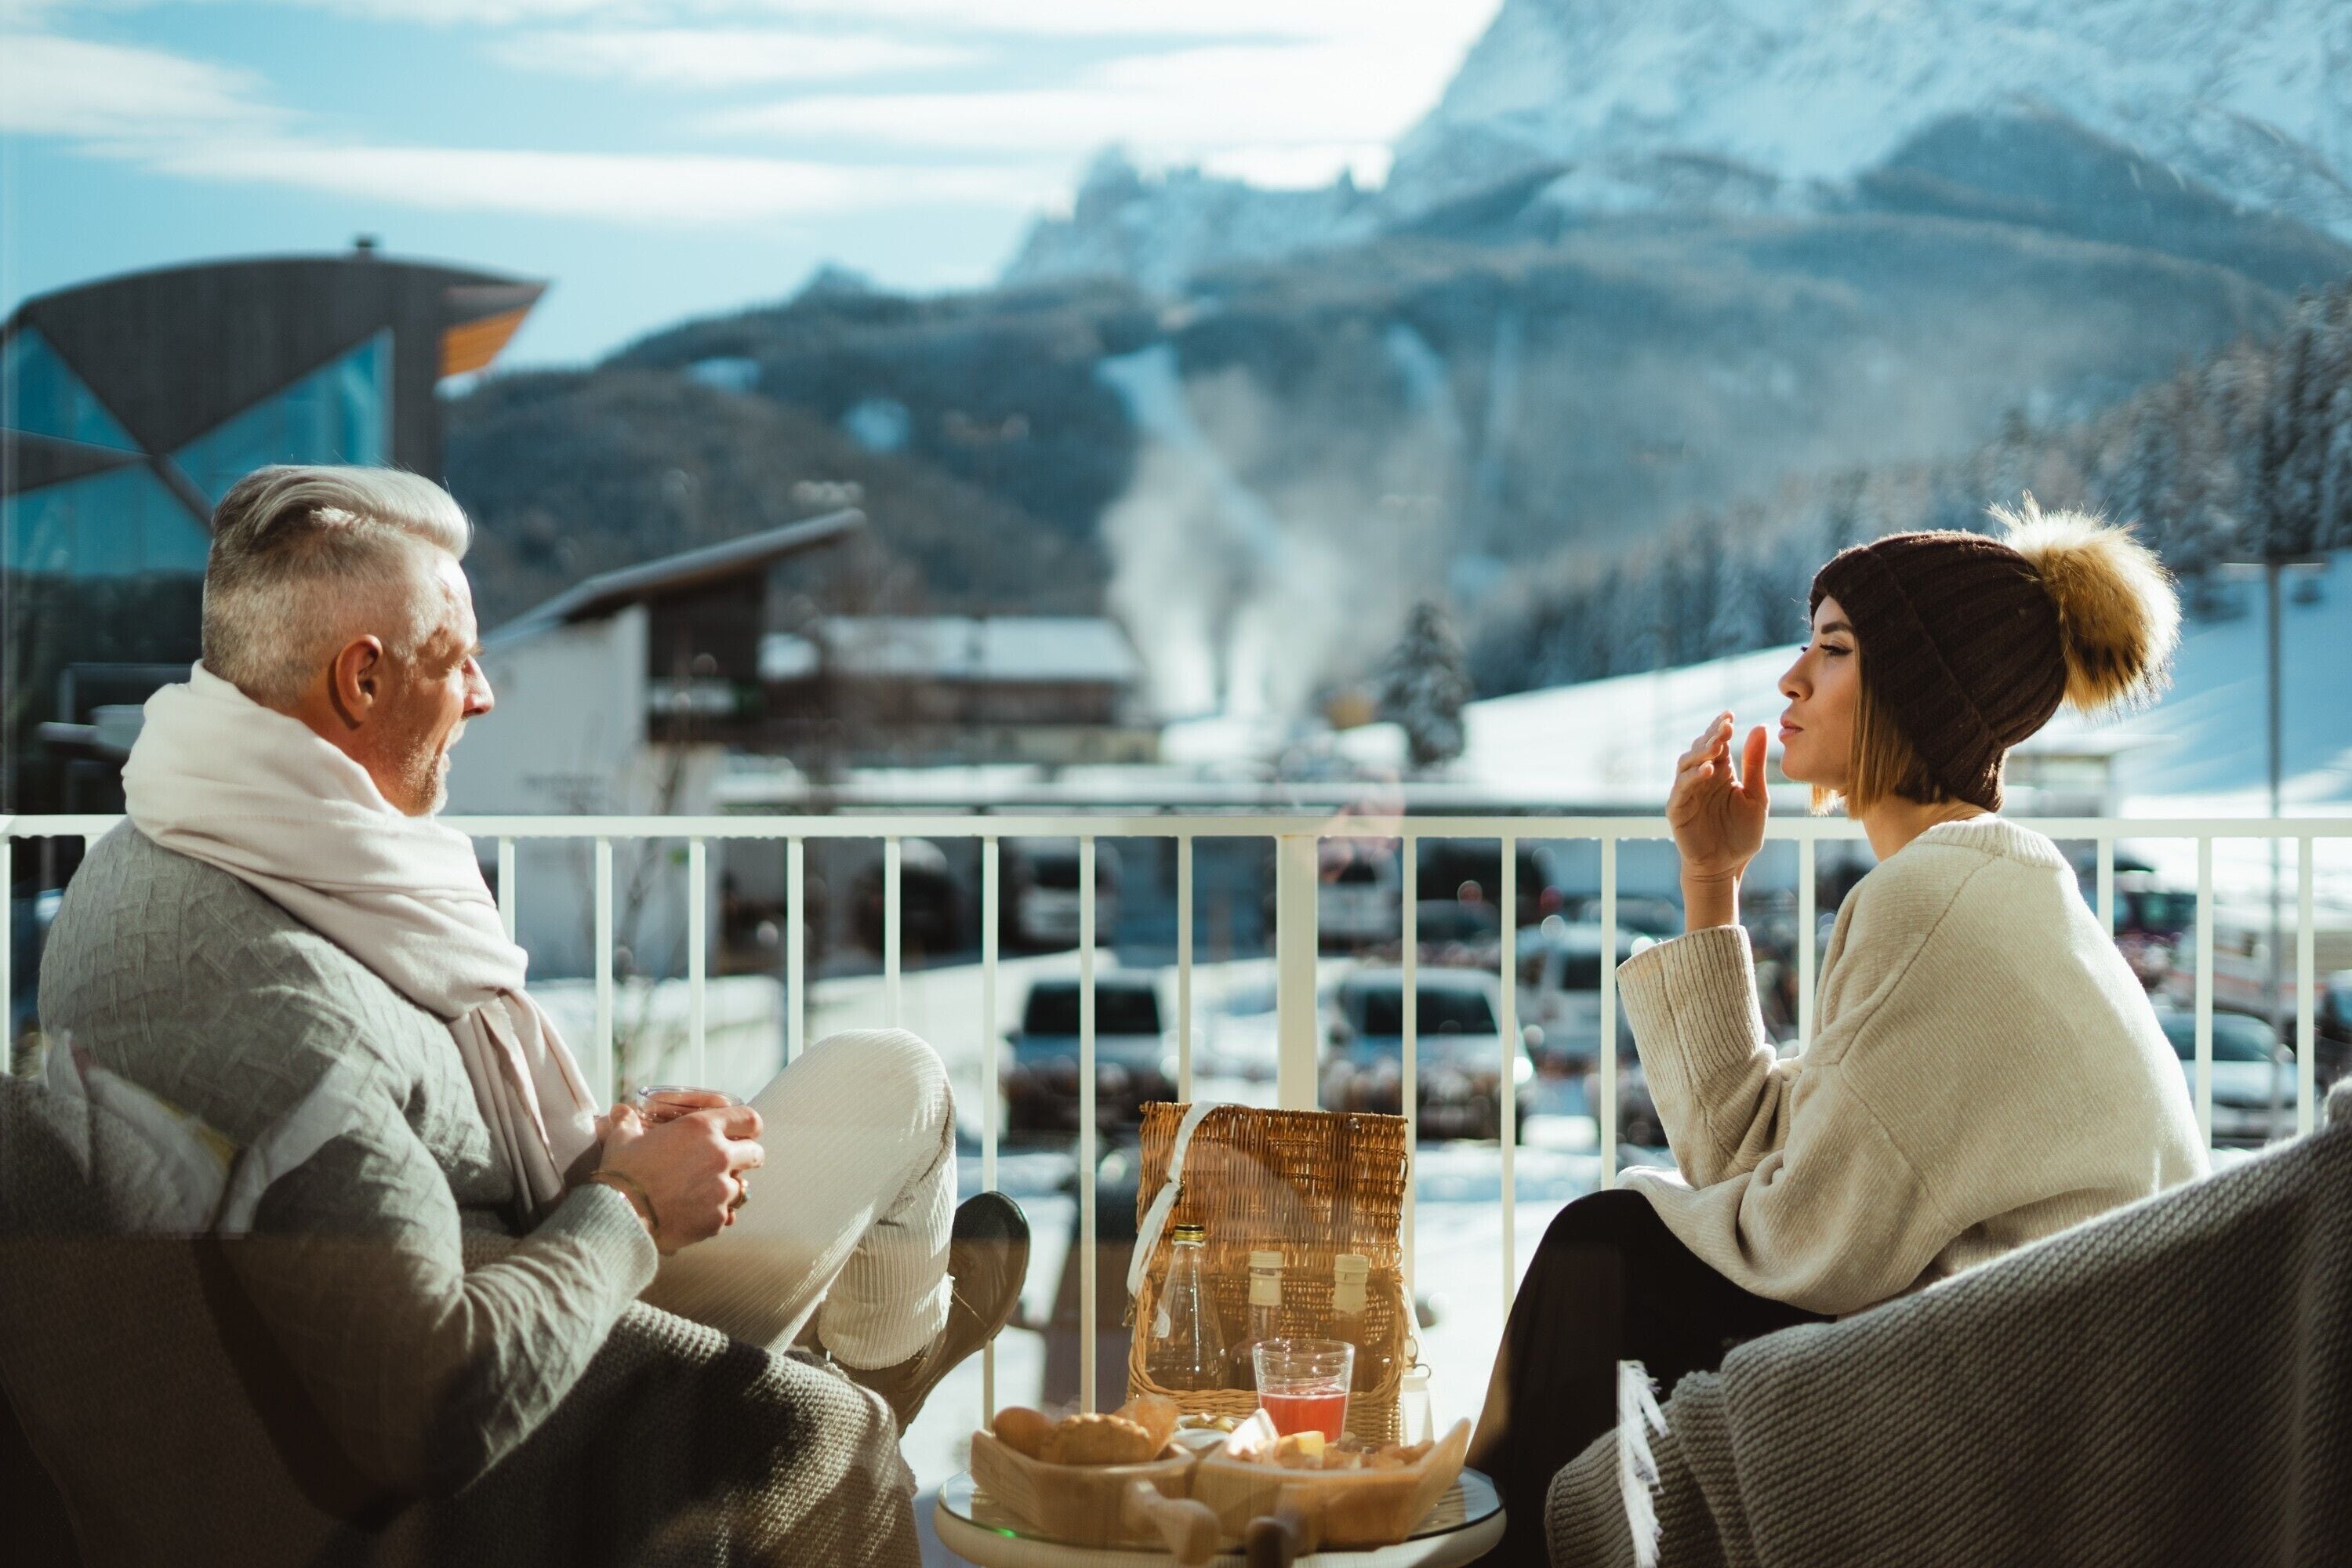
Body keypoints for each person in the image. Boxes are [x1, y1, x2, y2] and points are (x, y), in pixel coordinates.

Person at [28, 465, 1028, 1565]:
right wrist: (634, 1208)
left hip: (549, 1248)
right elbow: (428, 1404)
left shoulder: (225, 841)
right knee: (836, 1421)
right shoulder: (269, 994)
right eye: (459, 661)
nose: (484, 695)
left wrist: (607, 1151)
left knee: (894, 1077)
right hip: (550, 1373)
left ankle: (889, 1359)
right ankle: (871, 1384)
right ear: (361, 681)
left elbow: (423, 1131)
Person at [1469, 500, 2206, 1566]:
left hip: (2019, 1406)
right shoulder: (1983, 882)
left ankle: (1480, 1537)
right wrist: (1712, 882)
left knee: (1605, 1249)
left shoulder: (1938, 900)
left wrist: (1649, 1213)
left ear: (1915, 684)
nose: (1791, 679)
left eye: (1834, 647)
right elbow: (1769, 1180)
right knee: (1624, 1250)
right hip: (2050, 1370)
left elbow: (1796, 1242)